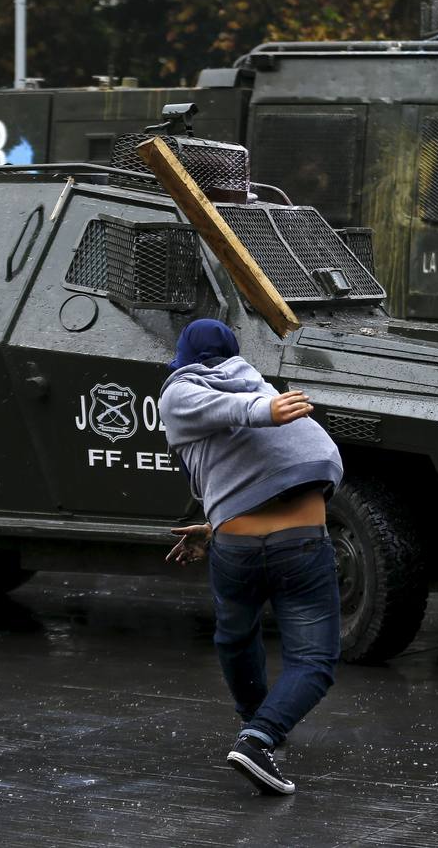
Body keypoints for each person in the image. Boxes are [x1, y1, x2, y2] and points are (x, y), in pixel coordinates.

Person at [159, 319, 344, 795]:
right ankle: (260, 735)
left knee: (235, 639)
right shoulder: (203, 395)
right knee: (313, 659)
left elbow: (246, 468)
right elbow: (234, 411)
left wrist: (213, 524)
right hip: (301, 544)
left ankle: (258, 732)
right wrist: (266, 408)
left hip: (237, 542)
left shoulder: (228, 394)